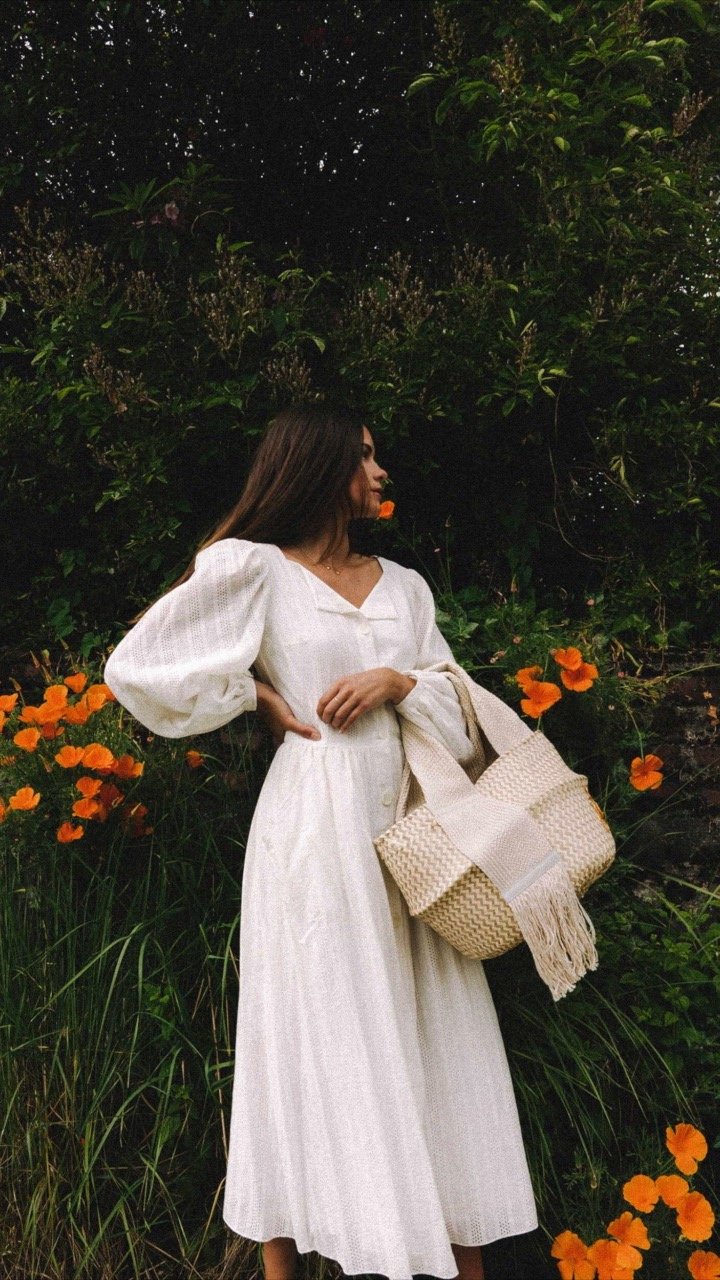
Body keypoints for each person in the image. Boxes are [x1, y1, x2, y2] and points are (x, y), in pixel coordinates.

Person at [102, 403, 538, 1280]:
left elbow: (460, 720)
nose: (381, 473)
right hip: (312, 828)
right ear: (322, 466)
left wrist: (399, 679)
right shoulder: (255, 571)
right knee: (312, 1027)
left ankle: (454, 1257)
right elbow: (136, 666)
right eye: (366, 457)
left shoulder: (406, 588)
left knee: (434, 1030)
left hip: (417, 836)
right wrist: (250, 694)